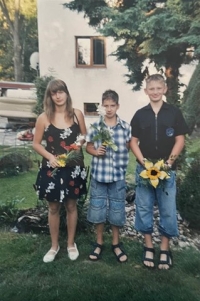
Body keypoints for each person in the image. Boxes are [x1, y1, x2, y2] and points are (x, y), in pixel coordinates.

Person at [130, 74, 189, 269]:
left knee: (168, 210)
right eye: (151, 89)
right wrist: (144, 162)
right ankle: (148, 245)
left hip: (166, 170)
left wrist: (169, 162)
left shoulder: (173, 112)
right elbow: (133, 141)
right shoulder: (140, 114)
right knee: (144, 207)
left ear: (164, 89)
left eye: (158, 88)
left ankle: (164, 248)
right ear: (146, 91)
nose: (155, 92)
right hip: (145, 169)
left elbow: (180, 139)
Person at [33, 79, 87, 263]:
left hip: (73, 168)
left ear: (66, 93)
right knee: (53, 207)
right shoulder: (44, 118)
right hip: (52, 169)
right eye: (54, 93)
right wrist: (50, 157)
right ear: (50, 96)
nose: (58, 96)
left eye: (61, 92)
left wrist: (76, 146)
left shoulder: (77, 114)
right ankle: (54, 246)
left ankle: (71, 244)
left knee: (71, 206)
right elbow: (36, 143)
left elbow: (83, 137)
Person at [86, 89, 131, 263]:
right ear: (102, 106)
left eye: (113, 105)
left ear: (118, 106)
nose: (109, 109)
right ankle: (98, 242)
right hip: (99, 175)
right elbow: (88, 146)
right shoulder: (96, 126)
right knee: (97, 209)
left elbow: (128, 146)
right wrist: (96, 152)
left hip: (117, 175)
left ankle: (116, 243)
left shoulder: (125, 127)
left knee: (117, 210)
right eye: (106, 106)